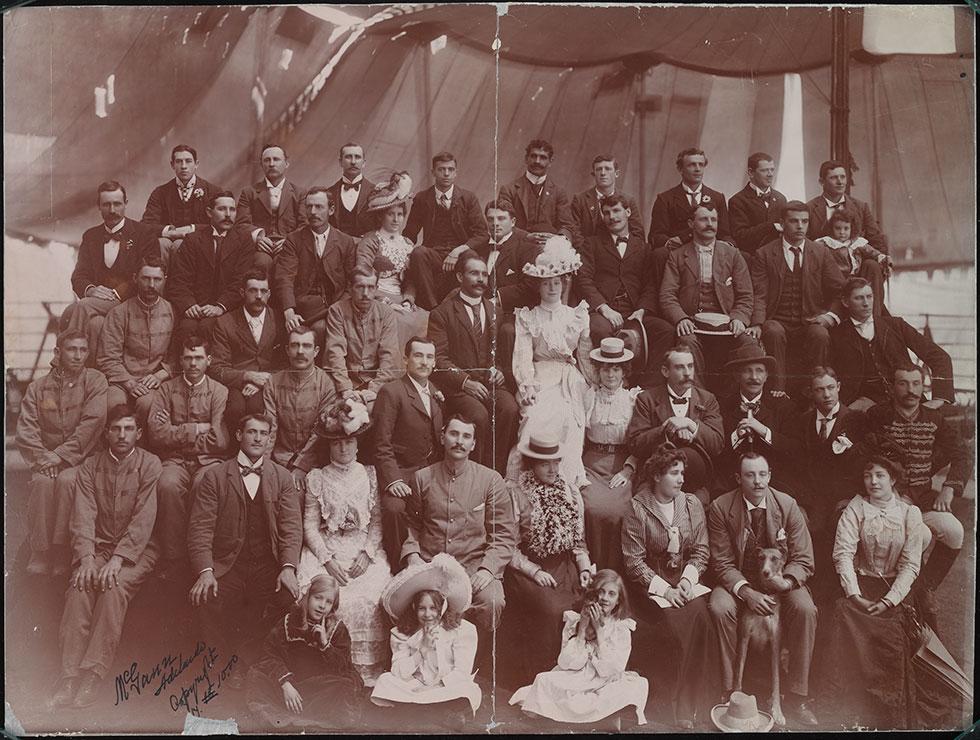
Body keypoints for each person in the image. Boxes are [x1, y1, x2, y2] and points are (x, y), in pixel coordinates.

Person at [828, 457, 964, 730]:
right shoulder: (855, 508)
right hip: (861, 586)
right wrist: (854, 594)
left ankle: (886, 710)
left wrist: (889, 599)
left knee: (891, 636)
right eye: (869, 475)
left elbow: (911, 564)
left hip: (895, 590)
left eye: (880, 475)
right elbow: (843, 554)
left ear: (893, 480)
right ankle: (849, 707)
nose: (874, 481)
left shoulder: (909, 513)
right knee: (844, 614)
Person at [51, 405, 160, 709]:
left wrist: (120, 558)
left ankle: (92, 675)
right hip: (97, 548)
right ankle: (69, 675)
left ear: (139, 433)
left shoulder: (150, 465)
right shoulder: (90, 466)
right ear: (107, 432)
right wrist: (86, 558)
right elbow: (83, 515)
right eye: (116, 429)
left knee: (113, 588)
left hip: (137, 551)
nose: (122, 435)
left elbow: (143, 519)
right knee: (80, 586)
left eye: (128, 429)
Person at [187, 414, 302, 683]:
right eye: (251, 432)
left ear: (270, 438)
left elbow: (291, 528)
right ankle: (221, 665)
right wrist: (206, 571)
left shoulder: (282, 477)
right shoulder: (215, 476)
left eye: (263, 433)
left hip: (266, 563)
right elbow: (200, 528)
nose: (258, 438)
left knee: (285, 598)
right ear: (239, 435)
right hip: (229, 563)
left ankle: (247, 660)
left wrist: (287, 567)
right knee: (206, 596)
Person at [707, 451, 819, 727]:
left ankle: (797, 695)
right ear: (738, 478)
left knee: (805, 608)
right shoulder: (722, 507)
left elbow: (804, 558)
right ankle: (730, 692)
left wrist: (786, 582)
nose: (758, 482)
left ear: (769, 475)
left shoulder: (787, 505)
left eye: (762, 474)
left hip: (779, 579)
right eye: (750, 475)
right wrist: (746, 592)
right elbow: (720, 562)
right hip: (738, 580)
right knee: (719, 607)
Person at [621, 446, 719, 729]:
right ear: (656, 476)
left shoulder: (691, 504)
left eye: (682, 473)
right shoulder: (637, 508)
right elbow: (633, 562)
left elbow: (701, 551)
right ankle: (669, 704)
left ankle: (694, 704)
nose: (681, 479)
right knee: (673, 626)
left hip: (686, 582)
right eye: (674, 473)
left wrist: (688, 581)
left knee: (701, 615)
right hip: (650, 585)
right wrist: (666, 590)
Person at [865, 365, 972, 624]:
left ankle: (926, 587)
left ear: (924, 386)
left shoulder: (934, 419)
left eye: (916, 384)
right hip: (888, 501)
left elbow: (962, 453)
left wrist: (950, 487)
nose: (911, 390)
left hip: (922, 499)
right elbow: (866, 457)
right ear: (893, 387)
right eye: (903, 383)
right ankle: (910, 599)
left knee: (954, 531)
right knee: (921, 536)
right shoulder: (878, 416)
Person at [402, 416, 518, 653]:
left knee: (492, 601)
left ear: (473, 444)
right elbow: (411, 524)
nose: (459, 441)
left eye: (467, 436)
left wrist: (488, 568)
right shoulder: (422, 478)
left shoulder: (490, 480)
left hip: (474, 565)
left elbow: (504, 534)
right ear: (443, 437)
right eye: (454, 434)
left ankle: (475, 660)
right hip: (432, 566)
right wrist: (412, 554)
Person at [296, 398, 389, 687]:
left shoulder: (371, 474)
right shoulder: (317, 477)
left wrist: (369, 552)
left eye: (348, 442)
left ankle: (367, 672)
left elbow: (376, 521)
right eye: (337, 443)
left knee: (373, 595)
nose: (344, 448)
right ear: (329, 446)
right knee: (330, 596)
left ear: (358, 444)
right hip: (328, 549)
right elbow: (310, 525)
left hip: (362, 549)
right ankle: (329, 669)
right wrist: (326, 559)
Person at [16, 330, 108, 576]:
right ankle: (40, 550)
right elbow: (27, 430)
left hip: (85, 458)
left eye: (83, 350)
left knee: (68, 481)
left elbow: (93, 423)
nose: (78, 356)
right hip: (47, 460)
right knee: (42, 483)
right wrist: (44, 458)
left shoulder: (95, 381)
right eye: (71, 349)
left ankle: (61, 550)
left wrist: (61, 455)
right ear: (58, 352)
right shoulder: (38, 388)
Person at [504, 434, 593, 686]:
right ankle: (543, 680)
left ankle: (575, 678)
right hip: (528, 567)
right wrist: (533, 571)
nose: (553, 469)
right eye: (545, 464)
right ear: (532, 464)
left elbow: (578, 540)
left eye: (556, 462)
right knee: (551, 610)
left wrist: (584, 567)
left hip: (564, 565)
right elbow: (508, 546)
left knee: (583, 601)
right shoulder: (517, 495)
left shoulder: (570, 492)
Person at [508, 570, 648, 727]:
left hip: (605, 681)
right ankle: (598, 718)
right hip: (577, 678)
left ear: (618, 601)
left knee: (636, 686)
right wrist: (581, 630)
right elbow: (566, 663)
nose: (605, 598)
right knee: (543, 680)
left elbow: (611, 669)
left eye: (611, 594)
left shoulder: (621, 628)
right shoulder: (575, 620)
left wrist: (600, 633)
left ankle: (575, 716)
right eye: (601, 592)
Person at [510, 236, 595, 489]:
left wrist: (593, 382)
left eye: (556, 282)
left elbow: (584, 353)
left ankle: (565, 484)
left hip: (569, 379)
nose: (552, 288)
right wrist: (527, 385)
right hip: (540, 377)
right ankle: (527, 483)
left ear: (564, 283)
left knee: (569, 419)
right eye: (546, 283)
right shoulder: (528, 317)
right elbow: (523, 355)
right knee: (534, 418)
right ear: (539, 286)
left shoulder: (577, 315)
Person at [428, 251, 519, 474]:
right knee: (478, 415)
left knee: (509, 408)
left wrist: (499, 371)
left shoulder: (495, 311)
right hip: (459, 389)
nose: (481, 279)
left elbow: (499, 353)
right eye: (474, 273)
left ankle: (495, 472)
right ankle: (472, 473)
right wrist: (465, 382)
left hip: (490, 384)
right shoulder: (442, 313)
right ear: (459, 277)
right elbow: (438, 358)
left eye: (484, 275)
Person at [147, 336, 229, 578]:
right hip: (174, 460)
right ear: (181, 361)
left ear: (208, 361)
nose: (193, 363)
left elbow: (220, 440)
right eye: (188, 358)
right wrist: (197, 429)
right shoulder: (165, 389)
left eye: (198, 358)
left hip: (208, 460)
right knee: (168, 484)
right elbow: (156, 435)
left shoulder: (219, 391)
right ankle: (174, 556)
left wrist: (176, 431)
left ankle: (201, 555)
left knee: (206, 483)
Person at [371, 554, 483, 723]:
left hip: (445, 686)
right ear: (414, 608)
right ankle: (437, 711)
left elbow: (462, 671)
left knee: (468, 689)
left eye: (433, 608)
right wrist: (421, 651)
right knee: (385, 681)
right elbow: (398, 672)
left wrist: (438, 686)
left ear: (443, 608)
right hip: (414, 686)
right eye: (422, 609)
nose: (428, 614)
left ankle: (419, 710)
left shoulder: (463, 630)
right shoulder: (401, 633)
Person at [748, 200, 845, 395]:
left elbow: (841, 290)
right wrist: (758, 323)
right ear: (782, 223)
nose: (800, 226)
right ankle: (778, 390)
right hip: (778, 319)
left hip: (810, 319)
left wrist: (829, 316)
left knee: (820, 334)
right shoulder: (765, 254)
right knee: (773, 331)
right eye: (794, 221)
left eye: (804, 221)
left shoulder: (820, 252)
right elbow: (759, 293)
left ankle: (818, 388)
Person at [245, 574, 363, 730]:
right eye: (318, 598)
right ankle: (299, 711)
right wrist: (285, 684)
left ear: (333, 606)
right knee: (255, 675)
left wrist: (325, 644)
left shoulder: (336, 628)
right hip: (290, 685)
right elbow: (270, 654)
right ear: (308, 597)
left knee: (345, 686)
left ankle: (307, 712)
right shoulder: (289, 621)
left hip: (318, 689)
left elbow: (343, 666)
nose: (322, 605)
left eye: (328, 602)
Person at [660, 202, 755, 388]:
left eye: (714, 219)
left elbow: (746, 295)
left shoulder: (732, 254)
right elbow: (667, 295)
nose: (710, 224)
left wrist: (739, 319)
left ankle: (734, 399)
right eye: (704, 219)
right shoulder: (678, 256)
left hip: (726, 323)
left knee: (749, 343)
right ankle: (699, 398)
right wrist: (681, 319)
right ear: (691, 223)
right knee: (687, 343)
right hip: (693, 323)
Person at [62, 181, 159, 356]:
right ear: (98, 206)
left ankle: (63, 363)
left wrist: (117, 293)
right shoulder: (91, 235)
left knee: (81, 307)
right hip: (98, 301)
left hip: (131, 299)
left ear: (126, 203)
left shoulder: (144, 233)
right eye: (106, 204)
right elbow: (79, 275)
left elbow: (147, 274)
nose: (112, 210)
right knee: (76, 316)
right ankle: (89, 372)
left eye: (117, 204)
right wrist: (90, 290)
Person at [372, 337, 444, 567]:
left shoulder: (434, 391)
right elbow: (380, 443)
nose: (424, 362)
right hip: (402, 472)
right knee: (395, 509)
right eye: (418, 355)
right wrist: (392, 480)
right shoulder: (391, 392)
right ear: (406, 359)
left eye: (429, 357)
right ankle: (397, 566)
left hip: (430, 472)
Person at [576, 194, 674, 361]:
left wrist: (641, 311)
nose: (612, 217)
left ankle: (647, 382)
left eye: (616, 211)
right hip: (603, 311)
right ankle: (611, 382)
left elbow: (650, 284)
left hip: (634, 310)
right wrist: (605, 309)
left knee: (665, 331)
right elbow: (584, 280)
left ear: (628, 212)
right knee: (600, 331)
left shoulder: (643, 248)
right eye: (606, 213)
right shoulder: (591, 244)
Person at [831, 277, 954, 407]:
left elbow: (939, 357)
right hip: (868, 405)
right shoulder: (837, 335)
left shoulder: (896, 325)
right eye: (859, 298)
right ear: (845, 302)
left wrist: (939, 399)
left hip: (908, 397)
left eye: (869, 296)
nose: (866, 303)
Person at [625, 348, 724, 504]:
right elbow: (635, 444)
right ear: (665, 371)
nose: (687, 373)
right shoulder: (647, 399)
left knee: (695, 511)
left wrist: (691, 425)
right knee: (647, 509)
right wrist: (667, 427)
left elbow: (717, 444)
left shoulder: (707, 399)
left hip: (695, 484)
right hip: (655, 480)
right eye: (680, 367)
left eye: (690, 366)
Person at [785, 366, 869, 538]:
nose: (827, 395)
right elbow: (797, 465)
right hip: (813, 499)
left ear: (838, 387)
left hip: (844, 498)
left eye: (831, 388)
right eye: (820, 390)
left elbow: (862, 465)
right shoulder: (802, 422)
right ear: (810, 392)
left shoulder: (856, 420)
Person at [580, 337, 641, 572]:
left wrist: (629, 468)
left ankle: (614, 574)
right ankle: (591, 570)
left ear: (624, 371)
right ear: (598, 370)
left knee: (617, 512)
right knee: (591, 508)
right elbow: (579, 436)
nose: (611, 374)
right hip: (592, 463)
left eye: (616, 369)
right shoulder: (589, 397)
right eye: (605, 368)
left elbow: (640, 439)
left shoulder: (633, 399)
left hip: (621, 464)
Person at [276, 187, 358, 355]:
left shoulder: (345, 241)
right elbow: (284, 277)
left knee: (321, 329)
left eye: (319, 207)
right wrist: (289, 311)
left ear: (331, 210)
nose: (313, 212)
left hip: (336, 305)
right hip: (304, 306)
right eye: (309, 207)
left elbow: (351, 282)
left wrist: (339, 307)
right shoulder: (294, 239)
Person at [166, 190, 256, 342]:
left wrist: (220, 306)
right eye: (222, 209)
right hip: (197, 306)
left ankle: (214, 365)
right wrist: (189, 304)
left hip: (228, 307)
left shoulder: (244, 241)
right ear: (209, 212)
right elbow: (179, 278)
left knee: (209, 326)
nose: (228, 214)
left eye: (232, 209)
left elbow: (241, 280)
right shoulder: (193, 240)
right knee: (187, 328)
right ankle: (181, 365)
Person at [403, 152, 489, 309]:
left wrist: (458, 251)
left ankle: (464, 305)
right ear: (433, 172)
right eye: (441, 169)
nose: (446, 174)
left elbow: (482, 234)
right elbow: (409, 234)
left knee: (471, 256)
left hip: (461, 254)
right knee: (418, 253)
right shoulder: (422, 198)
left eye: (450, 169)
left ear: (456, 172)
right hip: (434, 253)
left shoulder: (468, 198)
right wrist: (405, 250)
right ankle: (433, 308)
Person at [96, 256, 175, 425]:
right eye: (146, 279)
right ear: (135, 278)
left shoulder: (173, 311)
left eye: (157, 279)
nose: (151, 285)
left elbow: (177, 355)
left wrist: (162, 375)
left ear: (165, 280)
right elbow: (108, 357)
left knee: (148, 404)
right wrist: (129, 383)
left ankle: (144, 450)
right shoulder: (119, 313)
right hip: (121, 380)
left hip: (153, 380)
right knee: (112, 404)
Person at [354, 173, 429, 343]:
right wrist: (386, 302)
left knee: (427, 320)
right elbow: (362, 274)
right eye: (391, 214)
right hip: (375, 296)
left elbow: (411, 280)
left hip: (401, 298)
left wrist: (408, 301)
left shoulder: (408, 244)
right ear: (381, 216)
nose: (396, 219)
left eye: (400, 214)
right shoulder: (371, 240)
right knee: (398, 321)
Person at [263, 326, 337, 494]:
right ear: (287, 350)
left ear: (316, 351)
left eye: (307, 346)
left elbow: (319, 431)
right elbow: (270, 427)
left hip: (313, 461)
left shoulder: (326, 384)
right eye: (295, 345)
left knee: (298, 495)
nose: (300, 351)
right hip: (279, 458)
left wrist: (302, 466)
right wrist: (264, 465)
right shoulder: (274, 382)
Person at [715, 343, 797, 495]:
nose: (754, 377)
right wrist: (736, 436)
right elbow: (717, 454)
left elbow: (793, 449)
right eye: (747, 371)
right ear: (737, 375)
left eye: (759, 371)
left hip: (775, 482)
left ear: (766, 376)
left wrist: (765, 431)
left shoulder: (783, 405)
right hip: (733, 483)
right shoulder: (722, 405)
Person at [208, 269, 284, 430]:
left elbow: (285, 363)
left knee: (258, 409)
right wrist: (248, 376)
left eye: (263, 291)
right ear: (242, 292)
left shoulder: (279, 320)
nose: (258, 296)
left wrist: (263, 381)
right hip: (236, 383)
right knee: (235, 409)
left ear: (269, 294)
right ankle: (234, 452)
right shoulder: (225, 322)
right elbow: (216, 368)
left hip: (268, 381)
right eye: (253, 290)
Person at [323, 268, 403, 412]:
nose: (365, 294)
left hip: (377, 381)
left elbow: (389, 356)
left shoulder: (386, 313)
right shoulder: (337, 311)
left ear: (377, 289)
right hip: (347, 380)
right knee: (338, 412)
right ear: (350, 288)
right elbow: (335, 352)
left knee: (380, 410)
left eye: (371, 287)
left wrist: (374, 389)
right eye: (360, 287)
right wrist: (345, 388)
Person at [141, 144, 219, 266]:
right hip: (168, 243)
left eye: (188, 161)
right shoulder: (160, 192)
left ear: (196, 164)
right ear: (172, 165)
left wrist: (192, 229)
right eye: (179, 162)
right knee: (162, 243)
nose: (183, 166)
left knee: (179, 245)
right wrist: (170, 232)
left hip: (200, 242)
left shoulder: (213, 191)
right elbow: (147, 225)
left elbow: (219, 224)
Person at [236, 144, 307, 272]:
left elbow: (304, 225)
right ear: (262, 165)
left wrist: (289, 241)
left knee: (285, 265)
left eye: (276, 159)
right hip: (260, 247)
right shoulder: (249, 192)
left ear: (286, 163)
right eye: (267, 160)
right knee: (262, 264)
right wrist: (257, 238)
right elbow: (241, 223)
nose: (271, 164)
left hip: (289, 246)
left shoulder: (300, 193)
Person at [648, 147, 732, 251]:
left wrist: (727, 244)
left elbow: (725, 234)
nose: (697, 169)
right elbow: (656, 236)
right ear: (680, 169)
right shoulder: (665, 199)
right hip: (678, 252)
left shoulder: (717, 198)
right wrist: (670, 242)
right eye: (692, 165)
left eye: (701, 165)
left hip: (709, 251)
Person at [497, 139, 575, 244]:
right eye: (533, 156)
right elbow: (502, 222)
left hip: (548, 248)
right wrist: (526, 236)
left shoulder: (558, 193)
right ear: (526, 159)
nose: (537, 161)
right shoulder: (509, 190)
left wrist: (557, 239)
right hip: (517, 246)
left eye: (543, 157)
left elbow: (567, 225)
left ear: (550, 161)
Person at [815, 210, 891, 316]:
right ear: (832, 228)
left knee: (870, 269)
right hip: (838, 280)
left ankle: (874, 315)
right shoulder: (827, 242)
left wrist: (882, 257)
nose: (842, 232)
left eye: (846, 228)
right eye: (838, 228)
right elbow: (813, 251)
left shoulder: (856, 242)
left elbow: (872, 252)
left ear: (852, 228)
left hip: (856, 277)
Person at [805, 160, 888, 253]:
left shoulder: (860, 207)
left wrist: (884, 261)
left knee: (871, 265)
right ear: (821, 182)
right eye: (833, 178)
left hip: (856, 262)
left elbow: (876, 238)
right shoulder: (810, 208)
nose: (840, 182)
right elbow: (805, 242)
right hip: (822, 263)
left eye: (843, 177)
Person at [477, 199, 540, 315]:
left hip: (511, 313)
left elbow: (530, 286)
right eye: (490, 219)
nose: (495, 223)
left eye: (501, 218)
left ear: (513, 222)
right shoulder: (480, 249)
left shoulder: (527, 248)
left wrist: (496, 301)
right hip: (479, 310)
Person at [570, 155, 645, 246]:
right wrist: (588, 252)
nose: (603, 173)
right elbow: (574, 232)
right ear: (593, 174)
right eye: (599, 169)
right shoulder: (580, 200)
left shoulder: (628, 200)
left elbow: (638, 233)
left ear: (616, 173)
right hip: (589, 253)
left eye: (608, 169)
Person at [726, 152, 787, 256]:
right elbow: (740, 236)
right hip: (752, 258)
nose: (770, 174)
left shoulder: (781, 199)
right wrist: (770, 226)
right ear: (751, 173)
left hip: (778, 259)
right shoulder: (737, 201)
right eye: (764, 170)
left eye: (772, 170)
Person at [327, 142, 375, 238]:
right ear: (340, 162)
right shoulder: (329, 193)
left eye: (357, 157)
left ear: (364, 163)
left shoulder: (375, 192)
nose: (353, 162)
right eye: (348, 157)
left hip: (364, 249)